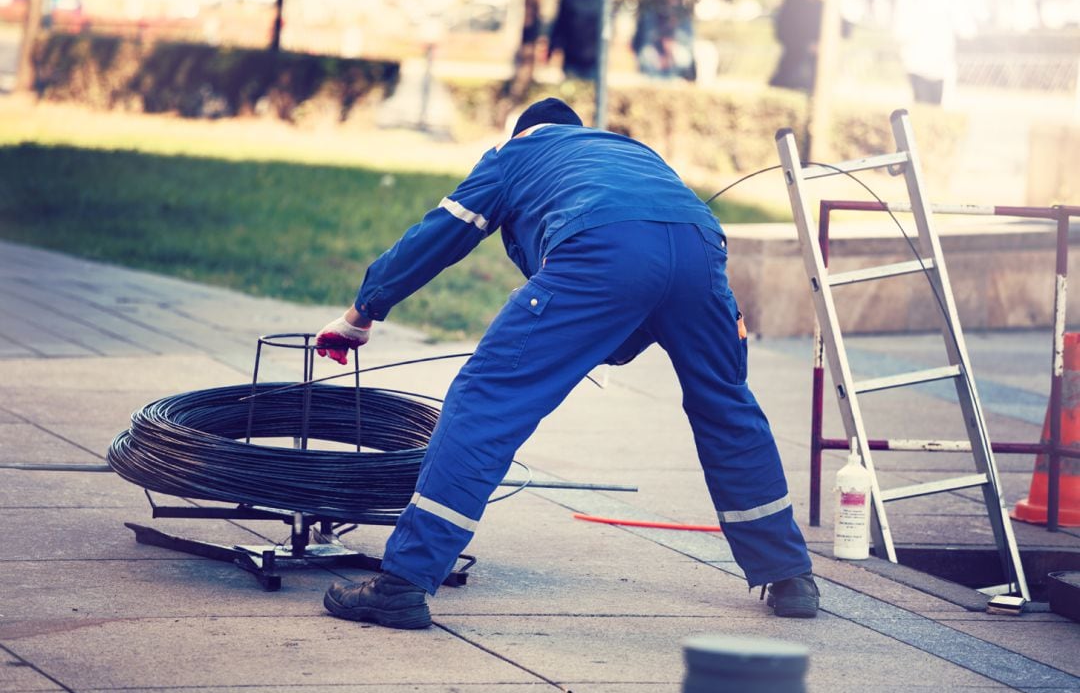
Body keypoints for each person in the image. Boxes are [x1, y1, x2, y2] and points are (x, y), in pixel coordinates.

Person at [315, 97, 819, 629]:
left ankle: (403, 582)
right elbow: (642, 292)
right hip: (702, 248)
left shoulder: (515, 153)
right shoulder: (629, 150)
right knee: (726, 403)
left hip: (599, 246)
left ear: (523, 132)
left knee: (486, 401)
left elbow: (438, 235)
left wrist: (362, 313)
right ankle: (789, 574)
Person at [632, 0, 696, 81]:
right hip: (654, 60)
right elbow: (638, 43)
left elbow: (689, 44)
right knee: (646, 54)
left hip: (675, 63)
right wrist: (659, 46)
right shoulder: (649, 17)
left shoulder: (684, 19)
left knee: (682, 56)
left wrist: (671, 47)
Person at [769, 0, 823, 93]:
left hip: (815, 67)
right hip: (793, 62)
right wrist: (805, 45)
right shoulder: (792, 3)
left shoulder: (823, 5)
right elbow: (782, 31)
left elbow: (845, 30)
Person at [546, 0, 603, 80]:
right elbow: (560, 25)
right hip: (572, 58)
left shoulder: (602, 0)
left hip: (593, 59)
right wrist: (552, 47)